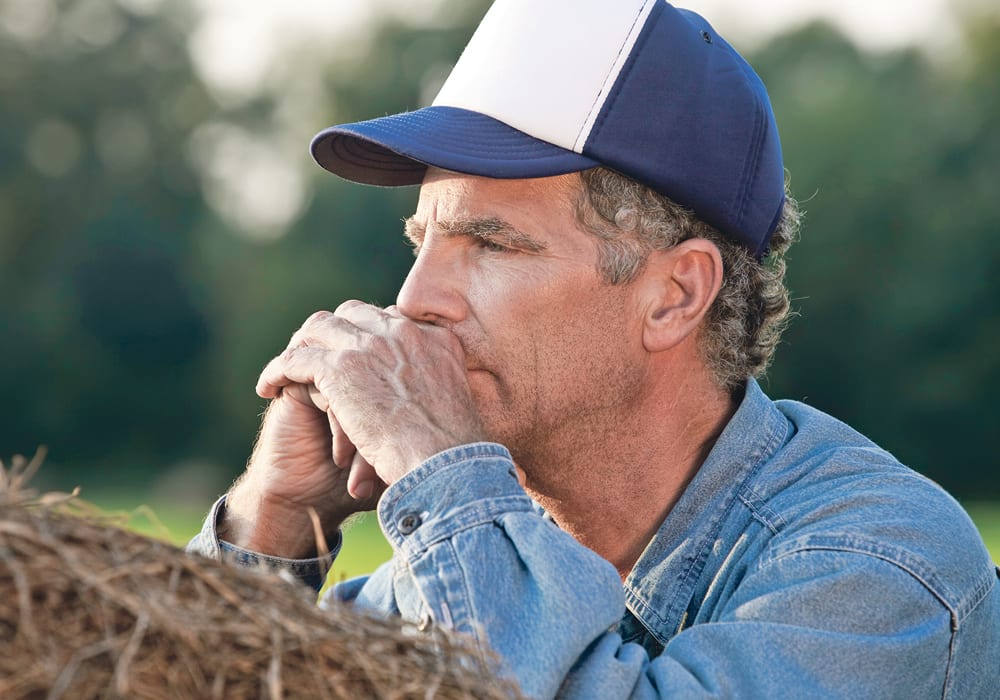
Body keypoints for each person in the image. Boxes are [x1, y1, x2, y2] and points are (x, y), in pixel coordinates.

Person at [188, 0, 1000, 697]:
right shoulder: (444, 583)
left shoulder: (878, 568)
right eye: (420, 242)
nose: (413, 301)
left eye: (490, 244)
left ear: (676, 295)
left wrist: (439, 473)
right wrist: (275, 528)